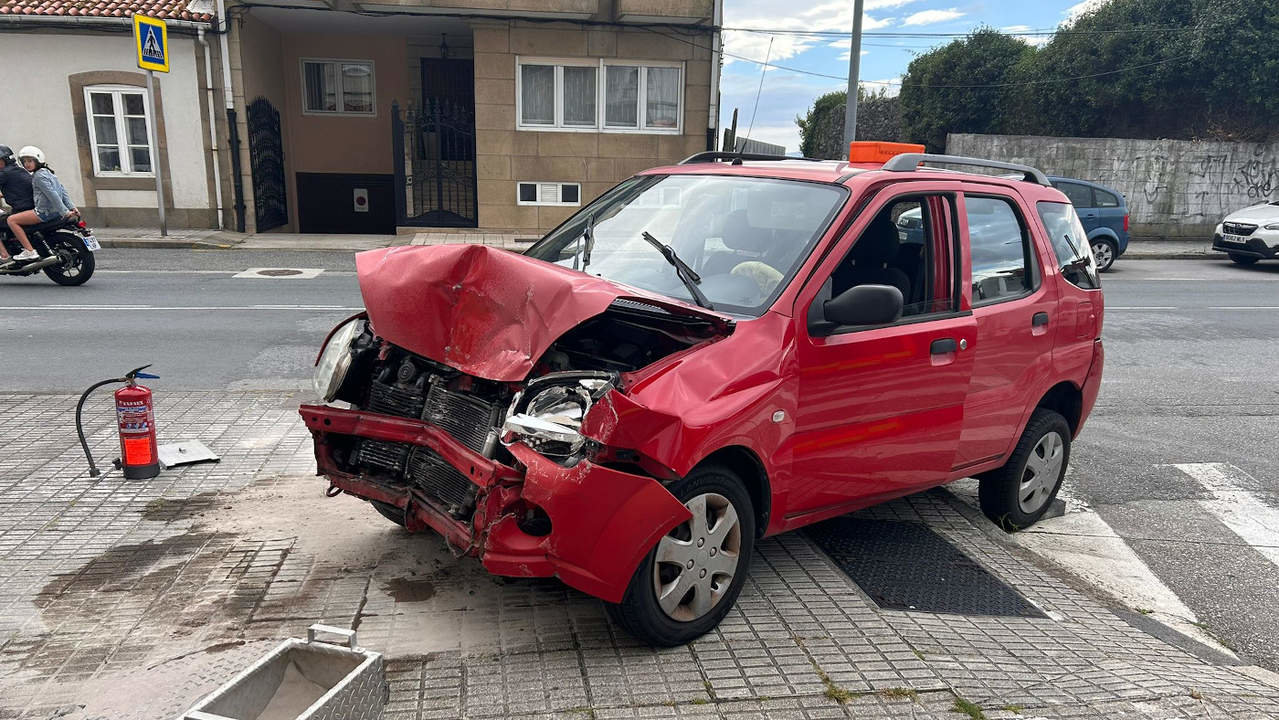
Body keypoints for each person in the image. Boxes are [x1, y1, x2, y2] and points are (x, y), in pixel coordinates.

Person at [6, 146, 77, 265]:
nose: (27, 164)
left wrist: (65, 211)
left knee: (11, 220)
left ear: (38, 160)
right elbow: (62, 190)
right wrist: (72, 207)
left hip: (44, 213)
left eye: (30, 161)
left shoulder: (38, 176)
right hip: (54, 213)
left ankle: (29, 251)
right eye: (24, 162)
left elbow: (52, 195)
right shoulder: (48, 172)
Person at [0, 144, 38, 268]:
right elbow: (17, 188)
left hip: (23, 209)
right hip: (30, 206)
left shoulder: (4, 173)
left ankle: (5, 256)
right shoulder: (19, 170)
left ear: (3, 160)